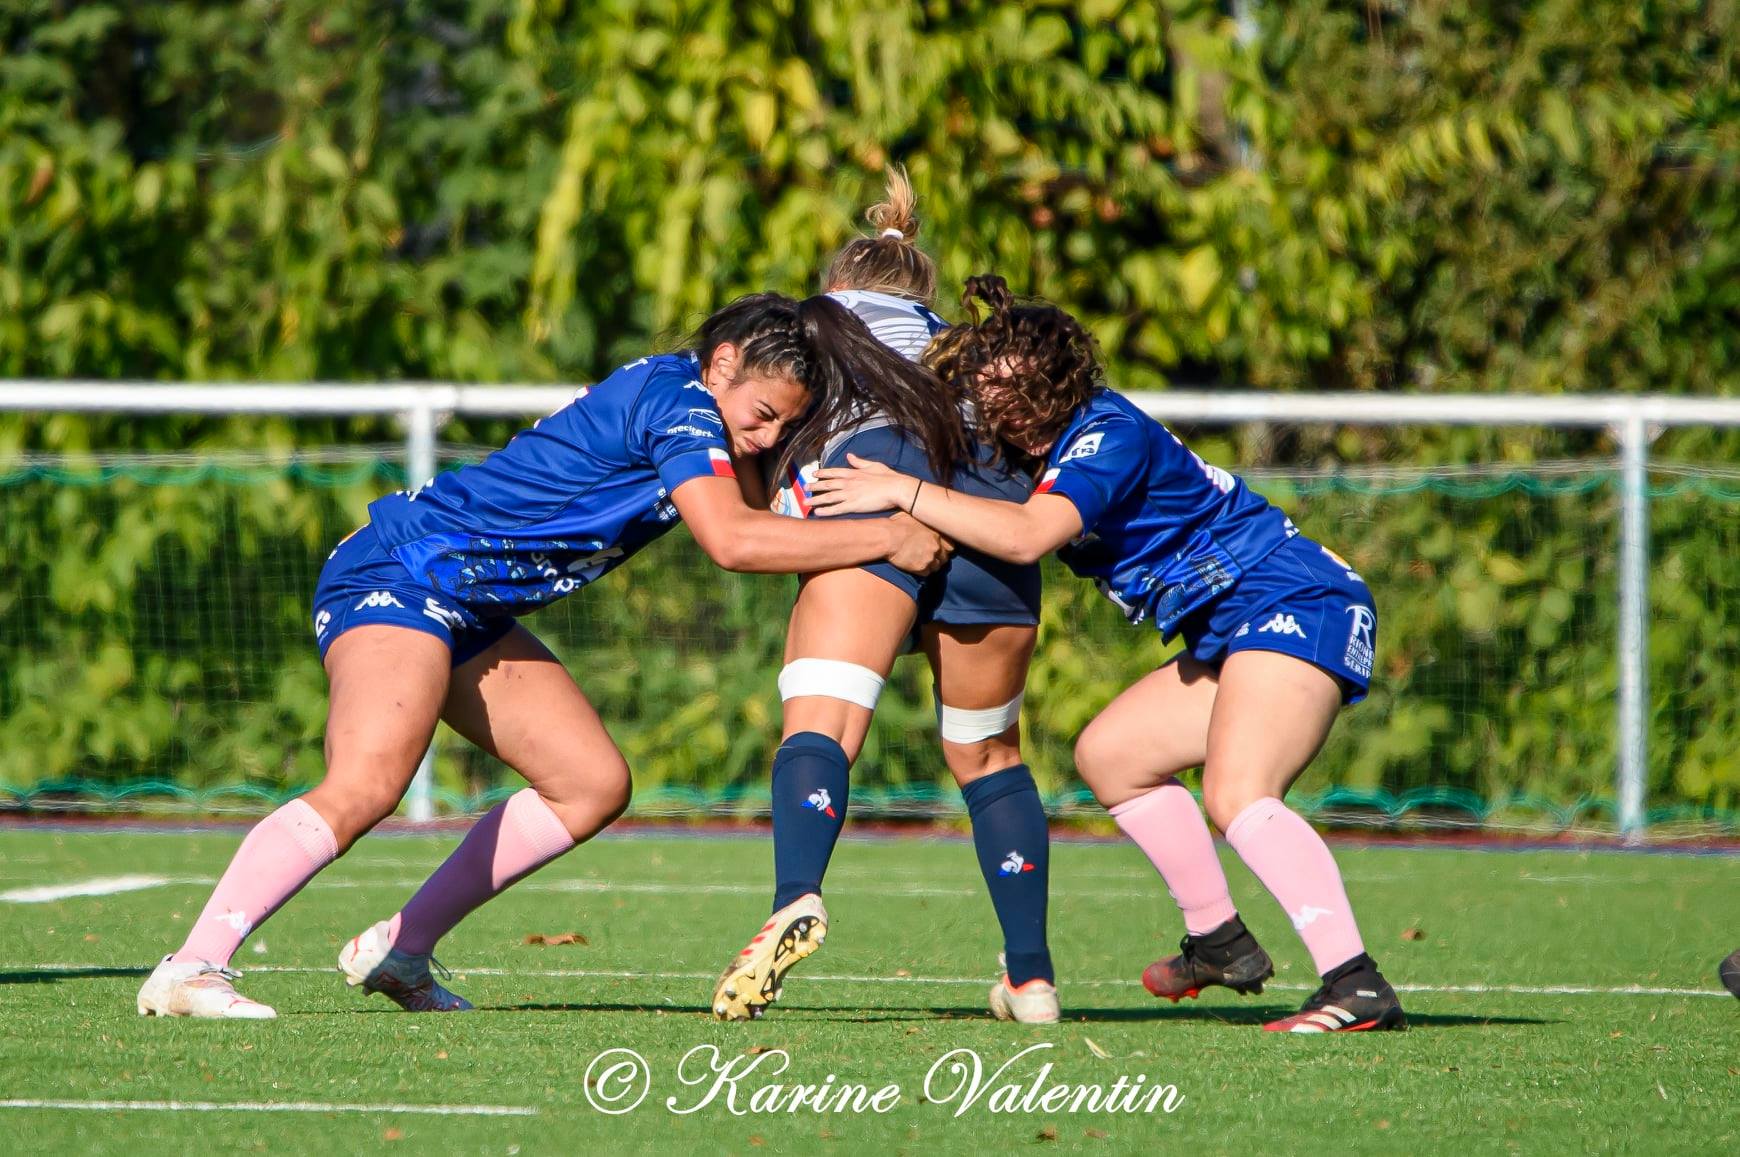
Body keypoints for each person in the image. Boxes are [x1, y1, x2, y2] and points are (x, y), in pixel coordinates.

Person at [135, 293, 950, 1019]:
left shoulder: (692, 400)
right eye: (764, 414)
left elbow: (760, 507)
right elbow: (733, 540)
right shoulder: (681, 405)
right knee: (369, 780)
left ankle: (402, 948)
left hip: (468, 602)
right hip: (401, 570)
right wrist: (890, 535)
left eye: (782, 426)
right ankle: (192, 964)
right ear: (724, 362)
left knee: (590, 782)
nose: (765, 437)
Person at [808, 275, 1407, 1033]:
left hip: (1294, 599)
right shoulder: (1037, 439)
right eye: (991, 393)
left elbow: (1026, 536)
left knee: (1238, 792)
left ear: (1056, 386)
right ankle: (1220, 941)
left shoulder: (1105, 432)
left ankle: (1355, 984)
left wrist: (901, 491)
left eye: (1016, 395)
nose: (1000, 411)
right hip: (1236, 626)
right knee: (1112, 756)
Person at [713, 173, 1059, 1024]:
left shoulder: (806, 328)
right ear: (922, 295)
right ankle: (1032, 978)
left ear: (837, 283)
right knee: (990, 756)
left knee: (824, 724)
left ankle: (796, 895)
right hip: (990, 500)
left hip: (871, 480)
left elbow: (754, 449)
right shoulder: (963, 344)